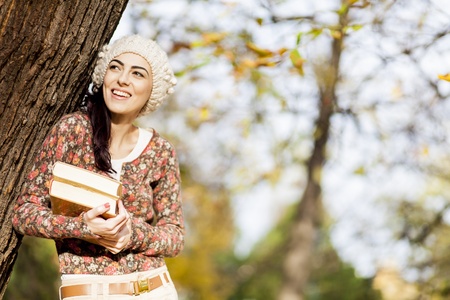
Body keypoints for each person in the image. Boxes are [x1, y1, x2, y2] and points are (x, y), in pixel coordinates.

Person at [12, 35, 184, 300]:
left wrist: (131, 234)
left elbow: (175, 237)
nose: (122, 79)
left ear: (152, 89)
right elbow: (24, 213)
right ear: (104, 75)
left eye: (137, 73)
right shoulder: (72, 131)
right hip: (88, 291)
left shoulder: (160, 151)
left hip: (155, 289)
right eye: (116, 67)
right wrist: (83, 228)